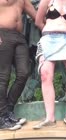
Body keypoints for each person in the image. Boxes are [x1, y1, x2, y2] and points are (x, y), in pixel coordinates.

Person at [32, 0, 66, 130]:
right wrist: (49, 31)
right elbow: (38, 20)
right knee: (45, 74)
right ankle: (50, 117)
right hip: (48, 38)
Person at [0, 0, 37, 130]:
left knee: (24, 73)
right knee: (3, 77)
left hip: (19, 38)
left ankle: (8, 111)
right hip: (2, 34)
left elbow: (37, 17)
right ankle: (2, 117)